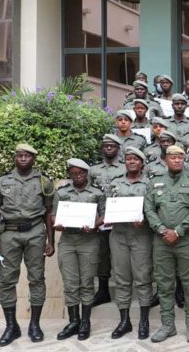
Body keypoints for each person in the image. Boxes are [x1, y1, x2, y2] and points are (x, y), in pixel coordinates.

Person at [0, 143, 55, 347]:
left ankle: (35, 325)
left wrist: (50, 241)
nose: (23, 159)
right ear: (15, 158)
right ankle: (11, 326)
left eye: (27, 156)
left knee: (37, 279)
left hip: (35, 233)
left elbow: (47, 213)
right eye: (19, 155)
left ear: (34, 158)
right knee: (6, 280)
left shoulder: (44, 182)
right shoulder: (2, 182)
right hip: (9, 235)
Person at [144, 145, 189, 343]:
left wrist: (179, 231)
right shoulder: (154, 183)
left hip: (186, 240)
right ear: (165, 159)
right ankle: (168, 325)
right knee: (164, 284)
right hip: (162, 241)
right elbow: (149, 210)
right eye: (173, 157)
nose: (177, 160)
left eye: (180, 157)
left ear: (184, 159)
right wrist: (162, 230)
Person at [52, 158, 105, 341]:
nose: (78, 176)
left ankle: (85, 322)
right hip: (67, 240)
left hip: (89, 241)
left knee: (87, 282)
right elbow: (52, 215)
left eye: (81, 173)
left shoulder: (96, 193)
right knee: (70, 283)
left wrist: (95, 224)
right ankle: (74, 321)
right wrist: (56, 224)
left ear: (86, 174)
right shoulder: (62, 193)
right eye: (74, 173)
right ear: (70, 175)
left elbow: (105, 214)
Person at [107, 147, 153, 340]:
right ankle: (124, 320)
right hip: (118, 235)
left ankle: (144, 320)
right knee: (121, 278)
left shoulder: (149, 184)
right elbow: (108, 204)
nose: (131, 162)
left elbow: (154, 209)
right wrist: (107, 217)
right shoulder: (115, 183)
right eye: (128, 159)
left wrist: (145, 220)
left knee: (142, 277)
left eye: (135, 159)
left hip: (140, 235)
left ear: (142, 163)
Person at [88, 134, 127, 307]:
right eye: (106, 146)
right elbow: (89, 192)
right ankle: (103, 290)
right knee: (102, 254)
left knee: (121, 256)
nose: (109, 148)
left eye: (112, 146)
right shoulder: (93, 170)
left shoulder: (126, 168)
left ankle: (124, 290)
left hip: (121, 217)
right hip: (100, 218)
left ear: (119, 148)